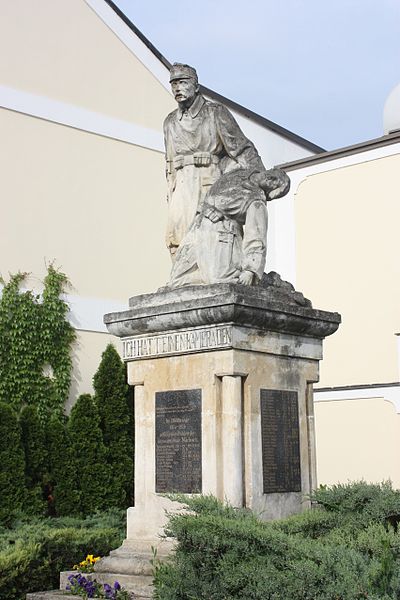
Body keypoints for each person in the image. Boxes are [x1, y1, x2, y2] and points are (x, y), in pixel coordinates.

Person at [164, 63, 266, 259]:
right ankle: (182, 281)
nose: (177, 88)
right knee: (177, 235)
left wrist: (258, 179)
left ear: (196, 86)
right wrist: (171, 191)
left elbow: (241, 147)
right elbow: (168, 164)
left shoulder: (214, 112)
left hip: (208, 178)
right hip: (181, 184)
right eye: (173, 83)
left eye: (183, 82)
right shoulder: (169, 122)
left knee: (210, 233)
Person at [168, 167, 290, 288]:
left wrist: (250, 270)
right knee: (177, 280)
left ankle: (263, 280)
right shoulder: (238, 172)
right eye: (275, 176)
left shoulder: (257, 203)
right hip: (198, 228)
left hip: (223, 237)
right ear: (271, 171)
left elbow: (256, 236)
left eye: (275, 184)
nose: (271, 180)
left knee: (218, 281)